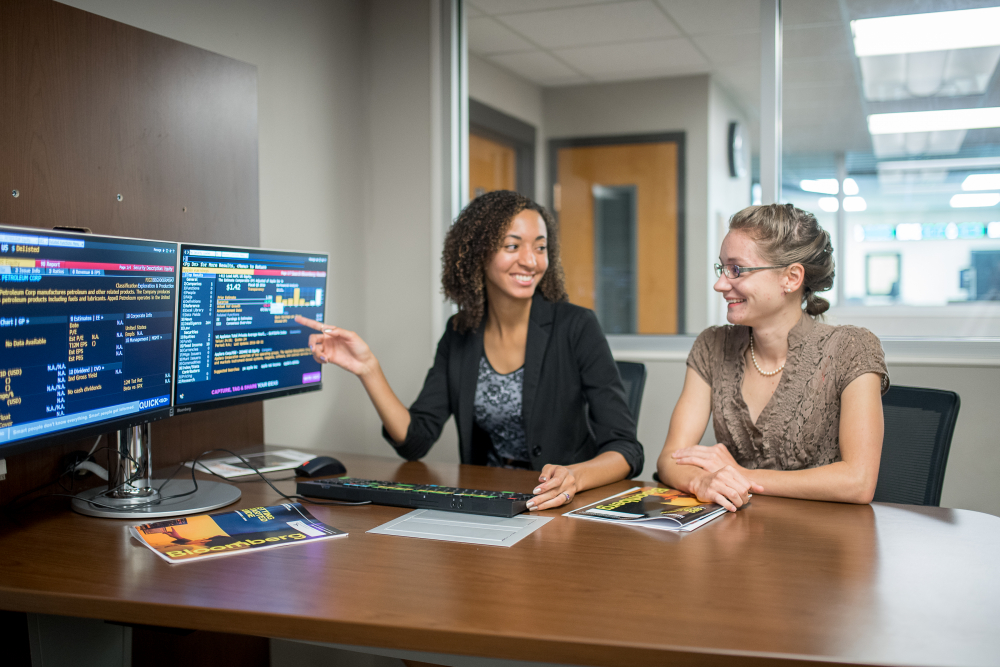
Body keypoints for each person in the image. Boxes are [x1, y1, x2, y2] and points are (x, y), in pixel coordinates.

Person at [296, 190, 643, 510]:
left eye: (540, 247)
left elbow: (627, 449)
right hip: (490, 504)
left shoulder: (576, 326)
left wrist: (574, 477)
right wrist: (368, 368)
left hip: (560, 507)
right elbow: (415, 441)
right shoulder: (461, 332)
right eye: (512, 246)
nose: (531, 261)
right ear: (479, 253)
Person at [656, 203, 888, 511]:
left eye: (736, 269)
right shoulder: (712, 345)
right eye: (722, 268)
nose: (721, 284)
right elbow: (671, 458)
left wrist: (742, 476)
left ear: (791, 278)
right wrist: (701, 482)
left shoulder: (851, 349)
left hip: (827, 543)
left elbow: (858, 482)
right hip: (736, 536)